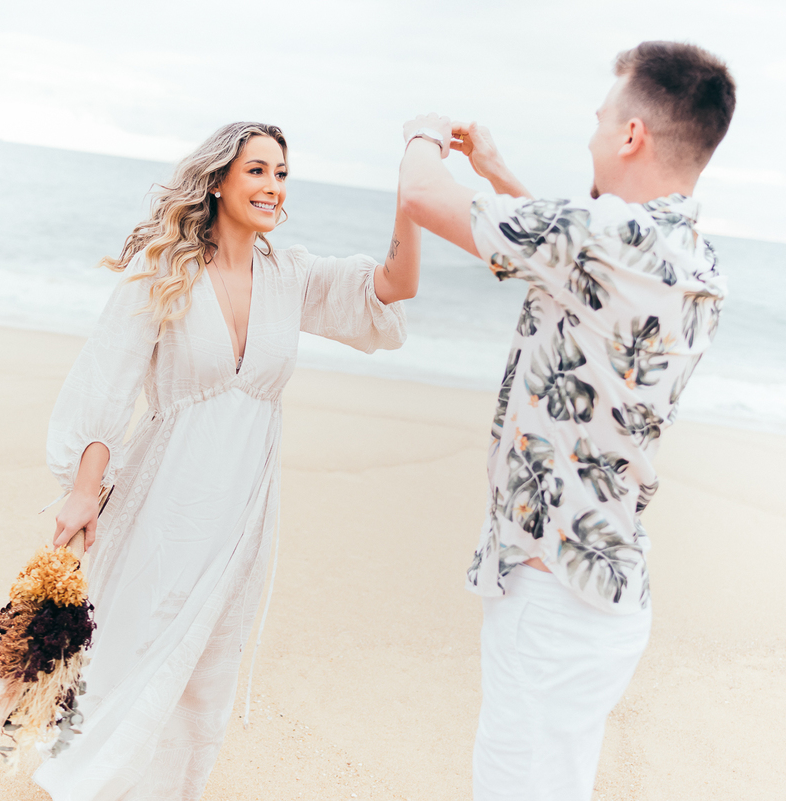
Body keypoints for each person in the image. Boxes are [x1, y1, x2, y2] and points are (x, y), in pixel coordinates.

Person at [36, 122, 419, 800]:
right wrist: (85, 489)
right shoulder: (166, 268)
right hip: (166, 498)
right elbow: (109, 383)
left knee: (206, 662)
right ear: (218, 181)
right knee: (136, 639)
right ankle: (86, 779)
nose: (274, 186)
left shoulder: (291, 276)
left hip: (242, 509)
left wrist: (413, 194)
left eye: (281, 174)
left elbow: (391, 286)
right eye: (258, 171)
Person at [396, 42, 736, 799]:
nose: (590, 135)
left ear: (631, 135)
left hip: (551, 596)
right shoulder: (693, 258)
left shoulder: (599, 238)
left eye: (600, 118)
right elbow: (569, 261)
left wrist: (421, 132)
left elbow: (422, 194)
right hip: (607, 588)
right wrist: (497, 171)